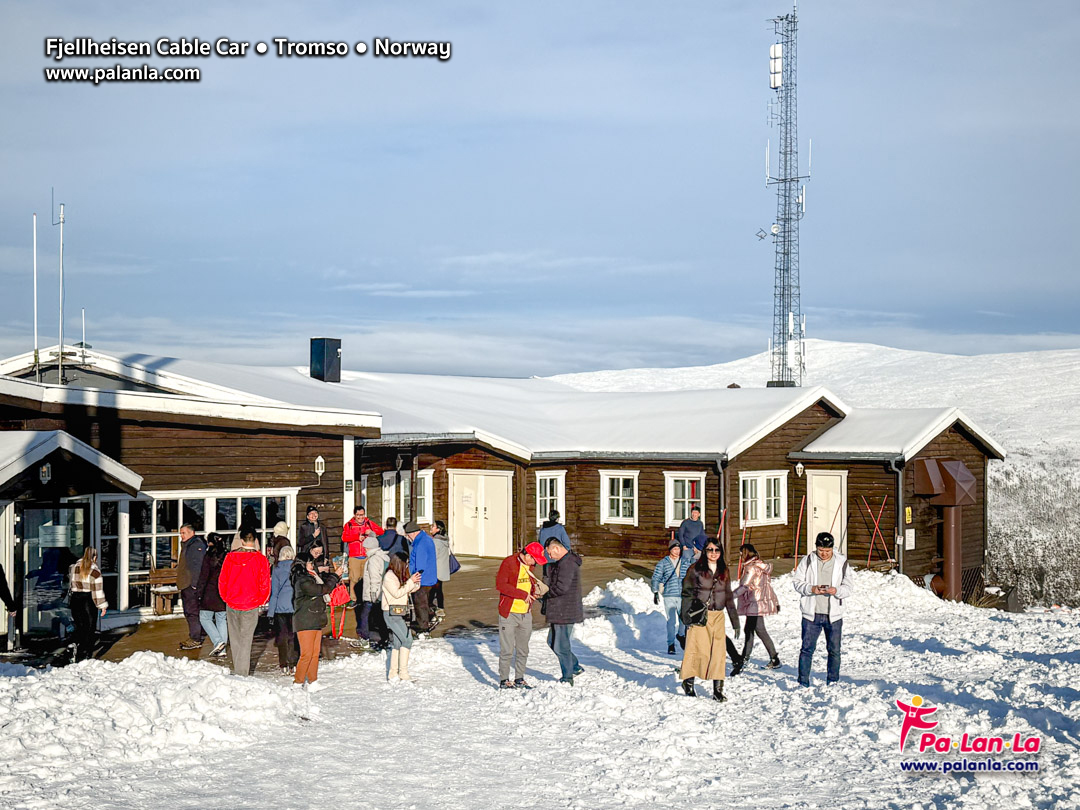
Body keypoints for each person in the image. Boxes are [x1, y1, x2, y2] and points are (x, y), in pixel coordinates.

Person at [679, 539, 740, 701]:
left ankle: (718, 690)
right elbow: (687, 592)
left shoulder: (724, 570)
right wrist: (686, 616)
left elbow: (728, 596)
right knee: (696, 650)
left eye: (717, 550)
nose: (713, 553)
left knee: (718, 653)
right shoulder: (695, 569)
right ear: (705, 551)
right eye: (710, 550)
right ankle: (688, 682)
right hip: (700, 615)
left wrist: (735, 621)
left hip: (718, 616)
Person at [792, 532, 854, 687]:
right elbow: (797, 582)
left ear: (833, 549)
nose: (824, 554)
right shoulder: (807, 561)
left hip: (833, 615)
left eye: (827, 551)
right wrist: (811, 588)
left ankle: (833, 680)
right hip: (811, 614)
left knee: (834, 650)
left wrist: (836, 591)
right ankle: (803, 681)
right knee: (807, 649)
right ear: (816, 548)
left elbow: (848, 587)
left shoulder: (842, 563)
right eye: (821, 551)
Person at [218, 529, 271, 676]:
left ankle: (239, 670)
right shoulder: (260, 560)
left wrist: (226, 597)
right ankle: (242, 673)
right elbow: (265, 583)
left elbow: (222, 580)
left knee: (234, 638)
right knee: (246, 639)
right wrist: (261, 600)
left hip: (232, 602)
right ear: (254, 541)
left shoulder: (230, 557)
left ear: (241, 540)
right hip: (250, 603)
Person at [495, 541, 547, 689]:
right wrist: (522, 594)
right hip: (509, 613)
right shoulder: (509, 563)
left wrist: (533, 593)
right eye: (535, 560)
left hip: (526, 613)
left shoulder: (530, 566)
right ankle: (504, 680)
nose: (535, 564)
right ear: (528, 555)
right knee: (507, 649)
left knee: (523, 649)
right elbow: (501, 585)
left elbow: (527, 585)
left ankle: (519, 678)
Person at [291, 549, 342, 692]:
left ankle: (312, 681)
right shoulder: (303, 580)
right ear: (303, 564)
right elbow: (322, 589)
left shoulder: (312, 576)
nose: (312, 565)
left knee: (314, 653)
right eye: (309, 563)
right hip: (305, 620)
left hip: (314, 618)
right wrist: (334, 576)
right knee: (306, 654)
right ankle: (298, 682)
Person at [731, 543, 781, 674]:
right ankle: (773, 658)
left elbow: (745, 586)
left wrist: (731, 596)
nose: (740, 556)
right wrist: (774, 601)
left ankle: (745, 659)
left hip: (754, 603)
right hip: (757, 602)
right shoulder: (760, 565)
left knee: (752, 630)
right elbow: (768, 586)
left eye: (741, 553)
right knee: (756, 630)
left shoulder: (751, 568)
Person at [543, 538, 583, 685]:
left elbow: (561, 587)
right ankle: (575, 667)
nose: (549, 556)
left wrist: (545, 592)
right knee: (552, 642)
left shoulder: (567, 564)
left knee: (561, 646)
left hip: (564, 611)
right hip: (560, 610)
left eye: (549, 552)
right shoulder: (564, 562)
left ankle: (567, 677)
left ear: (557, 549)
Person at [382, 551, 421, 681]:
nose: (407, 566)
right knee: (407, 639)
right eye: (406, 563)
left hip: (397, 612)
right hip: (391, 613)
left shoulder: (397, 575)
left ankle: (393, 673)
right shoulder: (389, 577)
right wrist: (410, 582)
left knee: (398, 642)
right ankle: (403, 673)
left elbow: (406, 590)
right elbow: (397, 593)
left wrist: (415, 583)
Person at [652, 539, 692, 655]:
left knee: (683, 620)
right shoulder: (663, 563)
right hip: (669, 595)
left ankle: (681, 635)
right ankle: (671, 644)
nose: (677, 551)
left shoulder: (685, 562)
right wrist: (655, 591)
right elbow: (656, 577)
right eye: (675, 549)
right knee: (671, 621)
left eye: (678, 548)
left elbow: (691, 576)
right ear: (670, 550)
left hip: (682, 595)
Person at [67, 546, 107, 662]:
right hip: (87, 600)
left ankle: (75, 644)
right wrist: (102, 606)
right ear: (95, 557)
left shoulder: (74, 567)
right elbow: (97, 591)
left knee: (79, 626)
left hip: (75, 599)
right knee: (90, 627)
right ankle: (86, 653)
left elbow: (70, 584)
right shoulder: (95, 571)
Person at [195, 533, 229, 658]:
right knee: (221, 619)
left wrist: (198, 592)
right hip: (222, 592)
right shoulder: (226, 556)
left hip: (209, 593)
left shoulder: (208, 556)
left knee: (205, 618)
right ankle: (222, 648)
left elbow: (203, 576)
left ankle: (218, 641)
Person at [342, 506, 383, 606]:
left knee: (367, 578)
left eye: (362, 515)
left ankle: (366, 598)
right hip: (354, 556)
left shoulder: (368, 523)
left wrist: (371, 532)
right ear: (354, 515)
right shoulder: (349, 525)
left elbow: (381, 531)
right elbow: (344, 537)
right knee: (354, 578)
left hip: (367, 555)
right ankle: (353, 599)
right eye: (358, 515)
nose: (360, 517)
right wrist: (356, 537)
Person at [268, 544, 299, 675]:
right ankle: (294, 663)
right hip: (294, 605)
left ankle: (284, 664)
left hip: (280, 607)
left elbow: (274, 592)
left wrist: (270, 612)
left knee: (282, 636)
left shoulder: (277, 569)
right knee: (293, 636)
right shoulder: (297, 568)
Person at [176, 523, 208, 651]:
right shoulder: (187, 545)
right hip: (185, 583)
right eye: (181, 533)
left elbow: (197, 566)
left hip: (190, 584)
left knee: (192, 612)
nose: (181, 536)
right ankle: (197, 634)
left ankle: (195, 637)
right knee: (189, 611)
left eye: (183, 533)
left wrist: (195, 584)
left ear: (191, 533)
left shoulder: (196, 546)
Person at [356, 532, 390, 650]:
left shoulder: (373, 560)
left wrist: (374, 594)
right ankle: (385, 637)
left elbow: (375, 578)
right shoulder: (384, 557)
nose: (364, 550)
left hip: (373, 593)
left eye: (365, 547)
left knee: (365, 616)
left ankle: (364, 638)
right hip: (382, 592)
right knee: (380, 616)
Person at [405, 520, 438, 633]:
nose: (408, 538)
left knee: (420, 604)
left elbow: (420, 563)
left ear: (413, 533)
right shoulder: (426, 539)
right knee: (425, 602)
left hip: (422, 579)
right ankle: (431, 616)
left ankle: (423, 628)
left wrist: (414, 577)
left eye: (408, 535)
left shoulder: (420, 543)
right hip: (430, 577)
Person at [431, 520, 451, 617]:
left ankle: (438, 608)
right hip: (442, 568)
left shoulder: (436, 541)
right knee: (438, 590)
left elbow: (433, 556)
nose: (431, 527)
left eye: (433, 526)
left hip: (436, 569)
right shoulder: (445, 540)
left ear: (438, 529)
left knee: (434, 590)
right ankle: (439, 607)